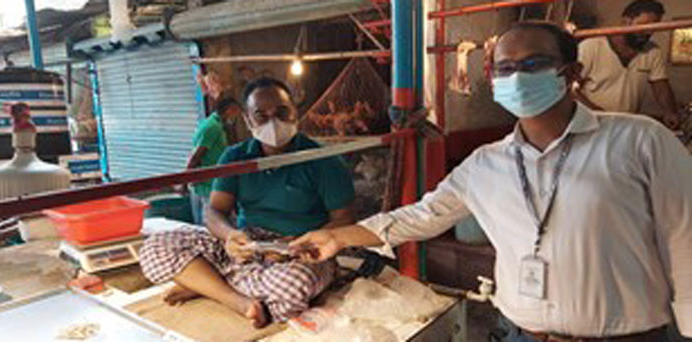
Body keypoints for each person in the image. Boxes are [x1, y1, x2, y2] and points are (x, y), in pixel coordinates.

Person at [292, 22, 691, 341]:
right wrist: (339, 237)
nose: (516, 77)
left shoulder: (640, 139)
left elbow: (685, 236)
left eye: (533, 64)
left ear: (572, 73)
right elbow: (425, 215)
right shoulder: (486, 163)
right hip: (524, 334)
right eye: (505, 68)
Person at [140, 77, 356, 328]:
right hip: (249, 244)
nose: (273, 122)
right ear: (247, 120)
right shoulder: (235, 157)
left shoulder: (323, 159)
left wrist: (304, 241)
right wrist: (231, 235)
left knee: (293, 286)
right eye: (261, 115)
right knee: (156, 247)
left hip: (301, 249)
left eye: (281, 112)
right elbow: (213, 212)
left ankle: (207, 283)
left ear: (295, 112)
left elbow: (344, 219)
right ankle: (239, 301)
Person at [575, 0, 681, 128]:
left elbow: (660, 85)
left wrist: (670, 111)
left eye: (653, 27)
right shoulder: (590, 47)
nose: (648, 32)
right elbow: (570, 89)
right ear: (626, 21)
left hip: (626, 125)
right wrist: (597, 113)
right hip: (592, 123)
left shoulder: (652, 52)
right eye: (644, 26)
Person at [178, 98, 242, 224]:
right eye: (236, 113)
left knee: (209, 221)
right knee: (212, 222)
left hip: (210, 181)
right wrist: (184, 181)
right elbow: (196, 156)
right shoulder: (213, 127)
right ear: (229, 110)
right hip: (207, 184)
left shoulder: (213, 123)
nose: (236, 117)